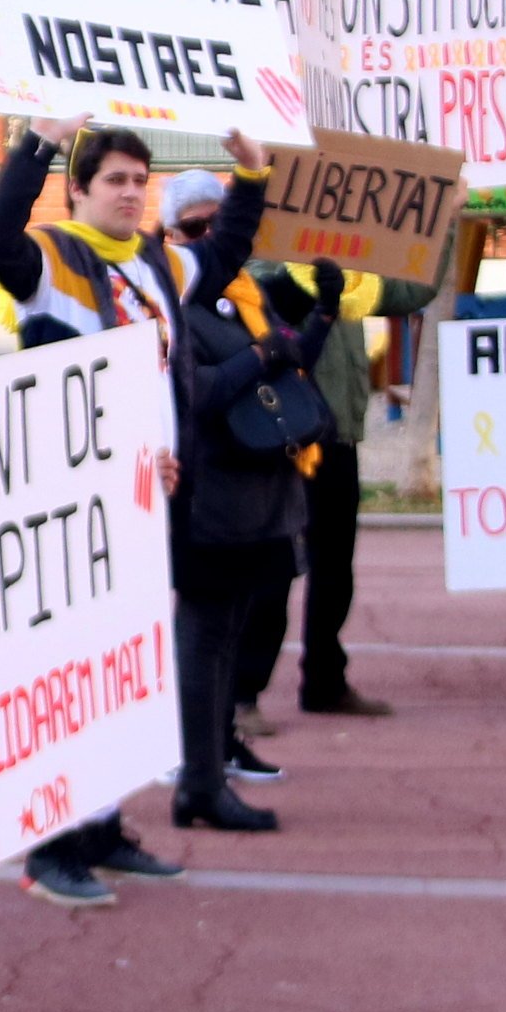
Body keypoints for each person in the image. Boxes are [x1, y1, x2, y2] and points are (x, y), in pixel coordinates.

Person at [0, 120, 194, 904]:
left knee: (119, 674)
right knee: (63, 676)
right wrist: (37, 142)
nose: (131, 193)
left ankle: (101, 827)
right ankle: (50, 847)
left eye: (140, 181)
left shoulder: (154, 264)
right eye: (114, 180)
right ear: (78, 189)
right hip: (69, 512)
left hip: (142, 497)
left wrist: (260, 179)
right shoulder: (52, 262)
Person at [160, 141, 325, 828]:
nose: (210, 238)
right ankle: (198, 778)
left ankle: (216, 755)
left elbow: (290, 369)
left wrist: (322, 316)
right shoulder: (172, 303)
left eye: (216, 224)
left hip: (262, 490)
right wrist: (259, 356)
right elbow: (196, 392)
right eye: (193, 227)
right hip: (210, 497)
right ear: (172, 237)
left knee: (232, 631)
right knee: (204, 636)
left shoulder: (248, 296)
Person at [241, 250, 434, 721]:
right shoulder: (264, 259)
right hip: (289, 439)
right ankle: (243, 694)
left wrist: (445, 227)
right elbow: (270, 297)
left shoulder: (354, 274)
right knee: (275, 572)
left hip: (338, 436)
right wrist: (315, 279)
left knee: (334, 569)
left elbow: (412, 290)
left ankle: (324, 681)